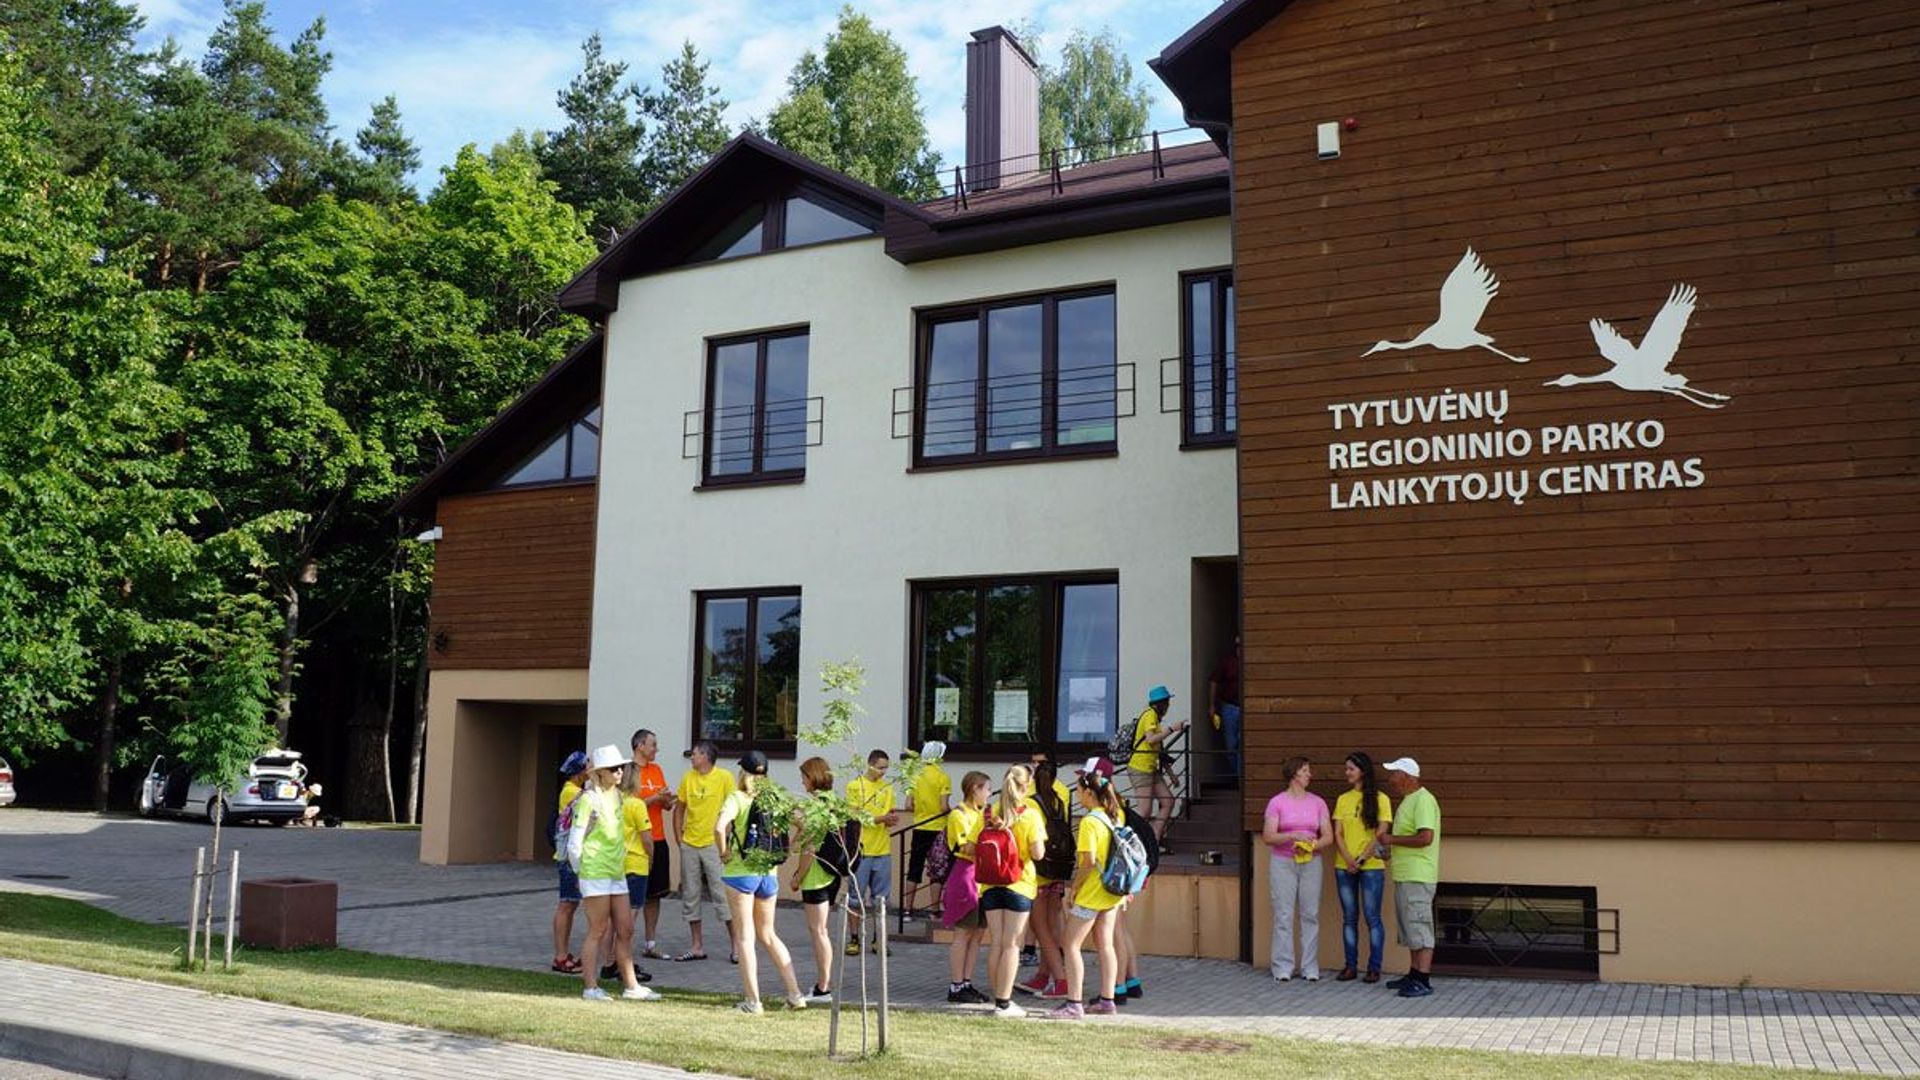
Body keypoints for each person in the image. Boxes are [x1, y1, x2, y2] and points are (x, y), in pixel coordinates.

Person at [715, 750, 806, 1013]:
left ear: (742, 772)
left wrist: (724, 852)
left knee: (745, 938)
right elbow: (804, 823)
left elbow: (720, 827)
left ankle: (753, 1001)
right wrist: (789, 850)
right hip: (768, 874)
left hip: (740, 873)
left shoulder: (737, 797)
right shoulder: (775, 797)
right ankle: (795, 994)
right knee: (768, 934)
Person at [566, 745, 651, 1001]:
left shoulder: (617, 797)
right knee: (598, 930)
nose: (620, 772)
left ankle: (631, 986)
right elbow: (574, 841)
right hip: (595, 872)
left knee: (625, 929)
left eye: (621, 768)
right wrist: (582, 872)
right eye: (614, 769)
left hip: (616, 872)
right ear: (600, 772)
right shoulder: (588, 799)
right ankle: (591, 987)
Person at [1049, 767, 1127, 1019]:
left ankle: (1074, 1003)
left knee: (1070, 944)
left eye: (1080, 790)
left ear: (1090, 793)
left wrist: (1074, 888)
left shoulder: (1090, 821)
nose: (1078, 795)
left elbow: (1088, 862)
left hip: (1092, 891)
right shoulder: (1116, 816)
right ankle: (1107, 1000)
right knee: (1106, 945)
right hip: (1113, 891)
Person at [975, 764, 1046, 1019]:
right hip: (1019, 883)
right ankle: (1004, 1003)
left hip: (991, 884)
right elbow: (1038, 853)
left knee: (997, 943)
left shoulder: (992, 811)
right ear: (1026, 785)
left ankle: (998, 997)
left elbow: (975, 845)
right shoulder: (1030, 815)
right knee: (1012, 944)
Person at [1262, 755, 1332, 982]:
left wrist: (1312, 845)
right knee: (1283, 913)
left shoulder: (1318, 802)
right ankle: (1282, 966)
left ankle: (1310, 967)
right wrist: (1292, 835)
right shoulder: (1277, 802)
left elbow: (1328, 836)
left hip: (1311, 862)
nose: (1309, 775)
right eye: (1305, 771)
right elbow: (1268, 836)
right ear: (1293, 774)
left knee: (1310, 914)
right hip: (1283, 863)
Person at [1379, 756, 1441, 999]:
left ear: (1407, 776)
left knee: (1420, 927)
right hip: (1406, 875)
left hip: (1418, 876)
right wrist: (1389, 851)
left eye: (1394, 773)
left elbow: (1426, 837)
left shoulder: (1424, 800)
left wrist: (1391, 840)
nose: (1390, 779)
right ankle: (1414, 974)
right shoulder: (1408, 801)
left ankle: (1423, 980)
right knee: (1410, 928)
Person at [788, 756, 846, 1004]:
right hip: (832, 873)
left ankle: (824, 987)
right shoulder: (834, 802)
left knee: (819, 931)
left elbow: (810, 848)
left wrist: (797, 877)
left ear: (813, 778)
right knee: (821, 931)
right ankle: (824, 984)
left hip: (816, 877)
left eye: (804, 777)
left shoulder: (815, 807)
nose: (802, 783)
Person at [671, 741, 735, 962]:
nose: (692, 758)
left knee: (722, 895)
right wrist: (680, 839)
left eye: (695, 754)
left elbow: (734, 809)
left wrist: (727, 842)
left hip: (713, 845)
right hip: (690, 844)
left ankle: (737, 946)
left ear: (706, 757)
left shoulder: (724, 777)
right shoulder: (688, 778)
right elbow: (679, 808)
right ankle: (696, 946)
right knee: (690, 895)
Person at [1332, 751, 1392, 983]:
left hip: (1372, 866)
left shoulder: (1381, 799)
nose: (1346, 772)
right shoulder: (1342, 799)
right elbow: (1337, 833)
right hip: (1344, 866)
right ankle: (1350, 966)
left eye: (1351, 769)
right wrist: (1348, 859)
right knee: (1349, 918)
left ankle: (1374, 967)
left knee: (1372, 917)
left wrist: (1361, 859)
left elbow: (1381, 832)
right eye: (1346, 768)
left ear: (1363, 771)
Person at [1016, 759, 1071, 999]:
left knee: (1040, 929)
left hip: (1038, 873)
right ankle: (1043, 975)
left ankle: (1061, 980)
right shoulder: (1059, 800)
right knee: (1052, 923)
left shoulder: (1030, 803)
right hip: (1057, 869)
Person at [941, 770, 990, 1005]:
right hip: (965, 877)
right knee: (963, 933)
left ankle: (967, 982)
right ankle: (956, 984)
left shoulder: (981, 813)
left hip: (982, 879)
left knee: (977, 935)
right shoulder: (959, 814)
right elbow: (966, 848)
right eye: (986, 789)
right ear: (975, 789)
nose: (989, 794)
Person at [844, 749, 899, 955]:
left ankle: (878, 939)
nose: (883, 772)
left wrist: (891, 819)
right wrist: (880, 819)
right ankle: (854, 938)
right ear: (870, 764)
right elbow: (855, 816)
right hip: (862, 849)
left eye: (886, 768)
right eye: (880, 767)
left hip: (882, 849)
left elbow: (889, 813)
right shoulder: (855, 786)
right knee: (855, 898)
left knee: (881, 899)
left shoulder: (886, 787)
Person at [629, 728, 676, 961]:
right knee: (633, 897)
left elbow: (664, 805)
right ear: (640, 746)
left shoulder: (656, 770)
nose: (656, 749)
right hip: (637, 842)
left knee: (654, 895)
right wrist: (654, 799)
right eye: (653, 744)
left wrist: (667, 800)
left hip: (658, 838)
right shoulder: (628, 771)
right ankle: (622, 945)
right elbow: (630, 805)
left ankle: (650, 943)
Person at [1127, 686, 1188, 845]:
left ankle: (1154, 838)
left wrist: (1171, 774)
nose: (1168, 706)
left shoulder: (1155, 718)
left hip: (1151, 768)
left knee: (1168, 801)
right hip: (1140, 767)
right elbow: (1151, 739)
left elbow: (1159, 749)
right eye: (1167, 702)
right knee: (1144, 810)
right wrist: (1172, 729)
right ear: (1160, 703)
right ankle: (1130, 839)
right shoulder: (1150, 715)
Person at [617, 767, 660, 991]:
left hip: (617, 864)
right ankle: (625, 964)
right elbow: (647, 839)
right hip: (635, 864)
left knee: (614, 919)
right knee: (629, 920)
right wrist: (651, 860)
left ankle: (610, 962)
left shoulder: (616, 802)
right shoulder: (636, 804)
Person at [551, 750, 591, 974]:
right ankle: (560, 956)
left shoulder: (575, 790)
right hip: (568, 857)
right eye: (586, 767)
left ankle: (564, 954)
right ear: (578, 772)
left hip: (570, 856)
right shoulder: (572, 792)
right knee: (566, 904)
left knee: (570, 904)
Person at [903, 741, 951, 918]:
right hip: (937, 827)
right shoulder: (942, 777)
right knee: (937, 870)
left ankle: (907, 910)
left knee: (914, 867)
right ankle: (934, 910)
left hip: (919, 826)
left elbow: (908, 805)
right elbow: (944, 806)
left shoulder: (915, 775)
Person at [1209, 634, 1242, 776]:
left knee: (1244, 745)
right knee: (1230, 746)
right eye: (1238, 646)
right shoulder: (1228, 662)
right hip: (1229, 707)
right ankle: (1237, 776)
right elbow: (1214, 681)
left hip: (1248, 707)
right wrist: (1211, 705)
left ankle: (1241, 779)